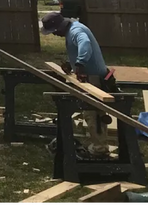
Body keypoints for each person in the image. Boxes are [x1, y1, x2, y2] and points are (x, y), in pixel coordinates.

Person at [41, 11, 116, 156]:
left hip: (93, 78)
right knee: (94, 112)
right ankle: (99, 146)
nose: (55, 35)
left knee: (92, 113)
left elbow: (85, 44)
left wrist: (80, 64)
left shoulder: (76, 31)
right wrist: (72, 64)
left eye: (54, 32)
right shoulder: (74, 28)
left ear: (59, 27)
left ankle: (100, 150)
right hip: (91, 75)